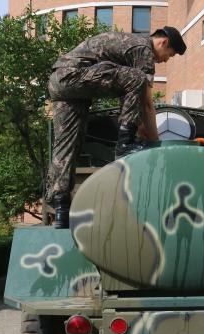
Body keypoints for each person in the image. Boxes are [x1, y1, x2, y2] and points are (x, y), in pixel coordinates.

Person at [44, 26, 187, 228]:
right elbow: (146, 102)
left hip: (59, 80)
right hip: (77, 74)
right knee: (137, 78)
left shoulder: (128, 43)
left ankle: (60, 207)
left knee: (68, 143)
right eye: (169, 55)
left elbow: (127, 92)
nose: (165, 60)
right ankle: (124, 144)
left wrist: (138, 125)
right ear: (163, 42)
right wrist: (155, 144)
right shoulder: (143, 48)